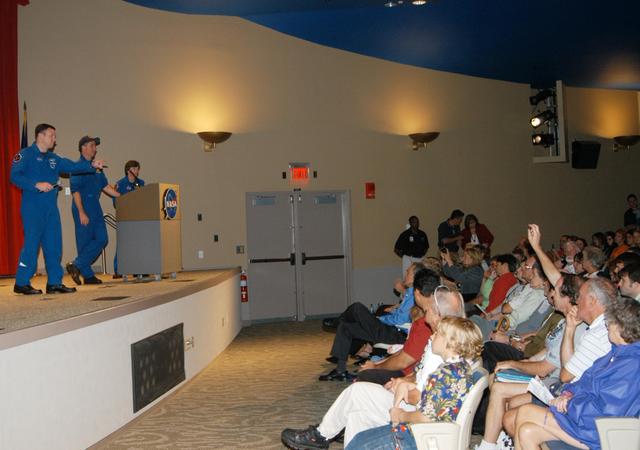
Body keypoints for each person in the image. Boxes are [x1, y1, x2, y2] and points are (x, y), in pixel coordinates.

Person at [280, 270, 465, 449]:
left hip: (413, 414)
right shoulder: (442, 345)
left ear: (439, 316)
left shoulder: (443, 355)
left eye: (431, 309)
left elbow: (426, 401)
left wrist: (403, 391)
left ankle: (320, 435)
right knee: (357, 412)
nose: (427, 314)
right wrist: (404, 380)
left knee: (357, 393)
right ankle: (324, 435)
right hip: (410, 400)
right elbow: (422, 375)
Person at [511, 296, 640, 450]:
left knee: (526, 412)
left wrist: (569, 404)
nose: (606, 325)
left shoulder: (631, 365)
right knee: (527, 431)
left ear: (619, 328)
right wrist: (567, 394)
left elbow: (606, 413)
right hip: (585, 420)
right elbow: (584, 382)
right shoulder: (616, 353)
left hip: (599, 432)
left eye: (609, 322)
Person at [344, 317, 483, 450]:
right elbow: (440, 400)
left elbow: (426, 417)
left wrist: (400, 415)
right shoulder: (459, 369)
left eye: (437, 334)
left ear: (450, 342)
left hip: (420, 437)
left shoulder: (446, 374)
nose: (431, 336)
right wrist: (411, 385)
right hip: (428, 433)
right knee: (360, 437)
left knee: (357, 445)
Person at [10, 124, 105, 295]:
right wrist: (35, 184)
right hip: (33, 208)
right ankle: (21, 282)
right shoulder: (25, 154)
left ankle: (54, 282)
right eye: (52, 135)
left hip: (51, 209)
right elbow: (14, 176)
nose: (55, 139)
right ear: (40, 136)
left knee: (54, 245)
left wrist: (91, 165)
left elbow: (72, 166)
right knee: (32, 245)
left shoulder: (54, 158)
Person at [319, 264, 424, 381]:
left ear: (415, 276)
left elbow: (400, 320)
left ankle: (337, 322)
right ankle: (340, 371)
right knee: (345, 327)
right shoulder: (409, 292)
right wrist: (387, 314)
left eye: (408, 272)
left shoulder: (415, 295)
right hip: (390, 330)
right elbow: (400, 315)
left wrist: (379, 319)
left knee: (357, 308)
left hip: (395, 334)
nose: (405, 274)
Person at [65, 136, 120, 285]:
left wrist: (122, 196)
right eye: (91, 145)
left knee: (102, 238)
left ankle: (76, 264)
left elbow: (105, 187)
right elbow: (75, 191)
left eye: (95, 146)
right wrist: (81, 212)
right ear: (83, 148)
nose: (95, 148)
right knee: (84, 242)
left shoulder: (97, 168)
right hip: (82, 206)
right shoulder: (78, 167)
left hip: (95, 205)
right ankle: (88, 275)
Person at [112, 160, 145, 277]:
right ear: (128, 170)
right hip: (125, 218)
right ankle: (118, 270)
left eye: (138, 168)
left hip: (138, 218)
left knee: (138, 244)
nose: (137, 171)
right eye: (134, 168)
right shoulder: (120, 184)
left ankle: (138, 269)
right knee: (123, 244)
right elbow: (115, 202)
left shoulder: (141, 183)